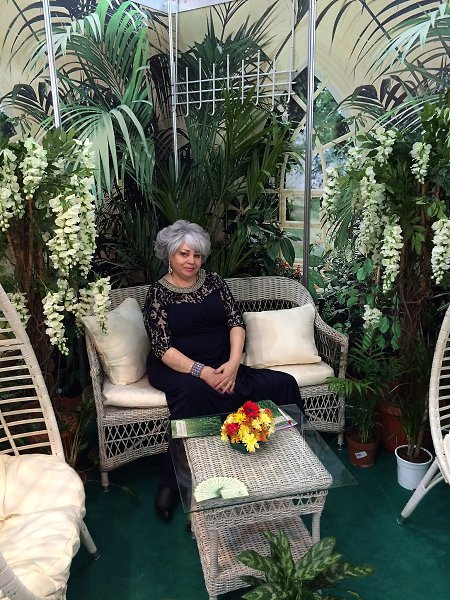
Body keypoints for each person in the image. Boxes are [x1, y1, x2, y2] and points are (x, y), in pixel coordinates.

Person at [144, 220, 302, 521]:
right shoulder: (158, 293)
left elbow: (235, 323)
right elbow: (163, 348)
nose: (191, 261)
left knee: (283, 384)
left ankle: (287, 461)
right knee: (193, 394)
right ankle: (175, 481)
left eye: (197, 255)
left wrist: (232, 364)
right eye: (184, 254)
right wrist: (203, 372)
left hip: (223, 361)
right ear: (169, 256)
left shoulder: (215, 282)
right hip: (178, 366)